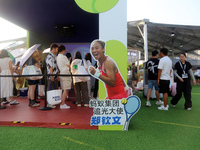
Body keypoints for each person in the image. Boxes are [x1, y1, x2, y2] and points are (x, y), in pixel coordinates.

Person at [46, 43, 59, 108]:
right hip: (52, 76)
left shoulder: (54, 56)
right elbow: (50, 67)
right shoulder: (50, 56)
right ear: (53, 48)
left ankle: (53, 102)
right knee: (50, 89)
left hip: (54, 75)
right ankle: (49, 103)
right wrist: (52, 76)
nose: (57, 50)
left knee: (53, 89)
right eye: (56, 49)